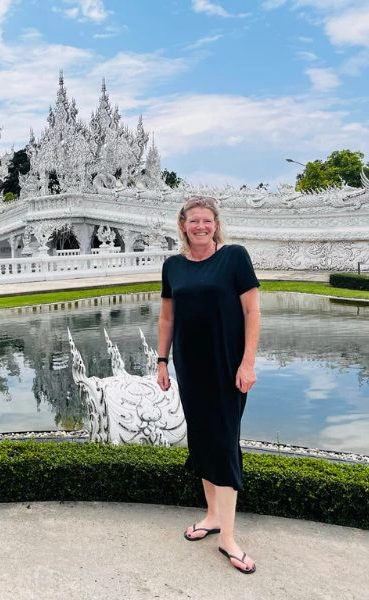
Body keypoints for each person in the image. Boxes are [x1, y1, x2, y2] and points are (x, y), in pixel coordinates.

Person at [157, 196, 261, 575]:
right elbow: (167, 318)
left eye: (207, 221)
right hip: (190, 366)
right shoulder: (173, 266)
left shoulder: (234, 258)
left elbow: (252, 311)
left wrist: (248, 363)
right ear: (182, 225)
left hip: (228, 366)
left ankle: (228, 538)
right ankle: (213, 516)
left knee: (224, 441)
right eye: (194, 221)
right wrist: (162, 361)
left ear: (216, 225)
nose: (201, 227)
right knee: (201, 438)